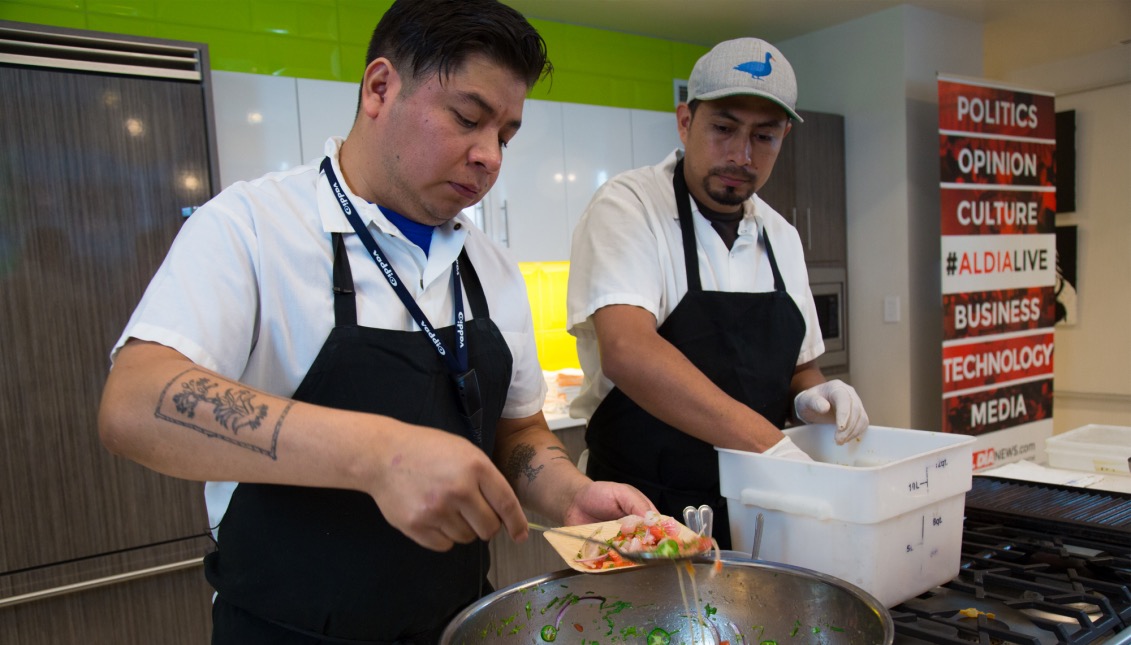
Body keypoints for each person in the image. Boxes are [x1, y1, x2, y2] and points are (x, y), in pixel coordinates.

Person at [97, 1, 653, 642]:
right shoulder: (254, 226)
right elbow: (134, 402)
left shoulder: (491, 266)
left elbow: (518, 430)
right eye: (468, 119)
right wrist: (378, 454)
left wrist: (569, 496)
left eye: (504, 135)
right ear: (380, 88)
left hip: (461, 623)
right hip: (288, 630)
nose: (490, 157)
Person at [566, 37, 869, 551]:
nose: (741, 155)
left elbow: (799, 367)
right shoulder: (629, 206)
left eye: (765, 137)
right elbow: (628, 352)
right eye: (724, 128)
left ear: (783, 138)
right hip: (637, 513)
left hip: (755, 513)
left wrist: (813, 397)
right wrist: (771, 445)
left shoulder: (782, 237)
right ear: (685, 122)